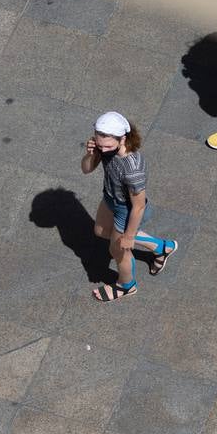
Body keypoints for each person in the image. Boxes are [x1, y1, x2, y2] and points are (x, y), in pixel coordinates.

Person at [81, 111, 177, 302]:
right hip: (110, 199)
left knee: (117, 251)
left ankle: (126, 286)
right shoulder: (104, 146)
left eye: (107, 146)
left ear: (122, 138)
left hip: (127, 210)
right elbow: (86, 169)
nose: (104, 150)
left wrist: (129, 235)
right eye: (100, 145)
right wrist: (91, 153)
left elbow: (139, 206)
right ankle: (162, 247)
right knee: (100, 231)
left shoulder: (132, 168)